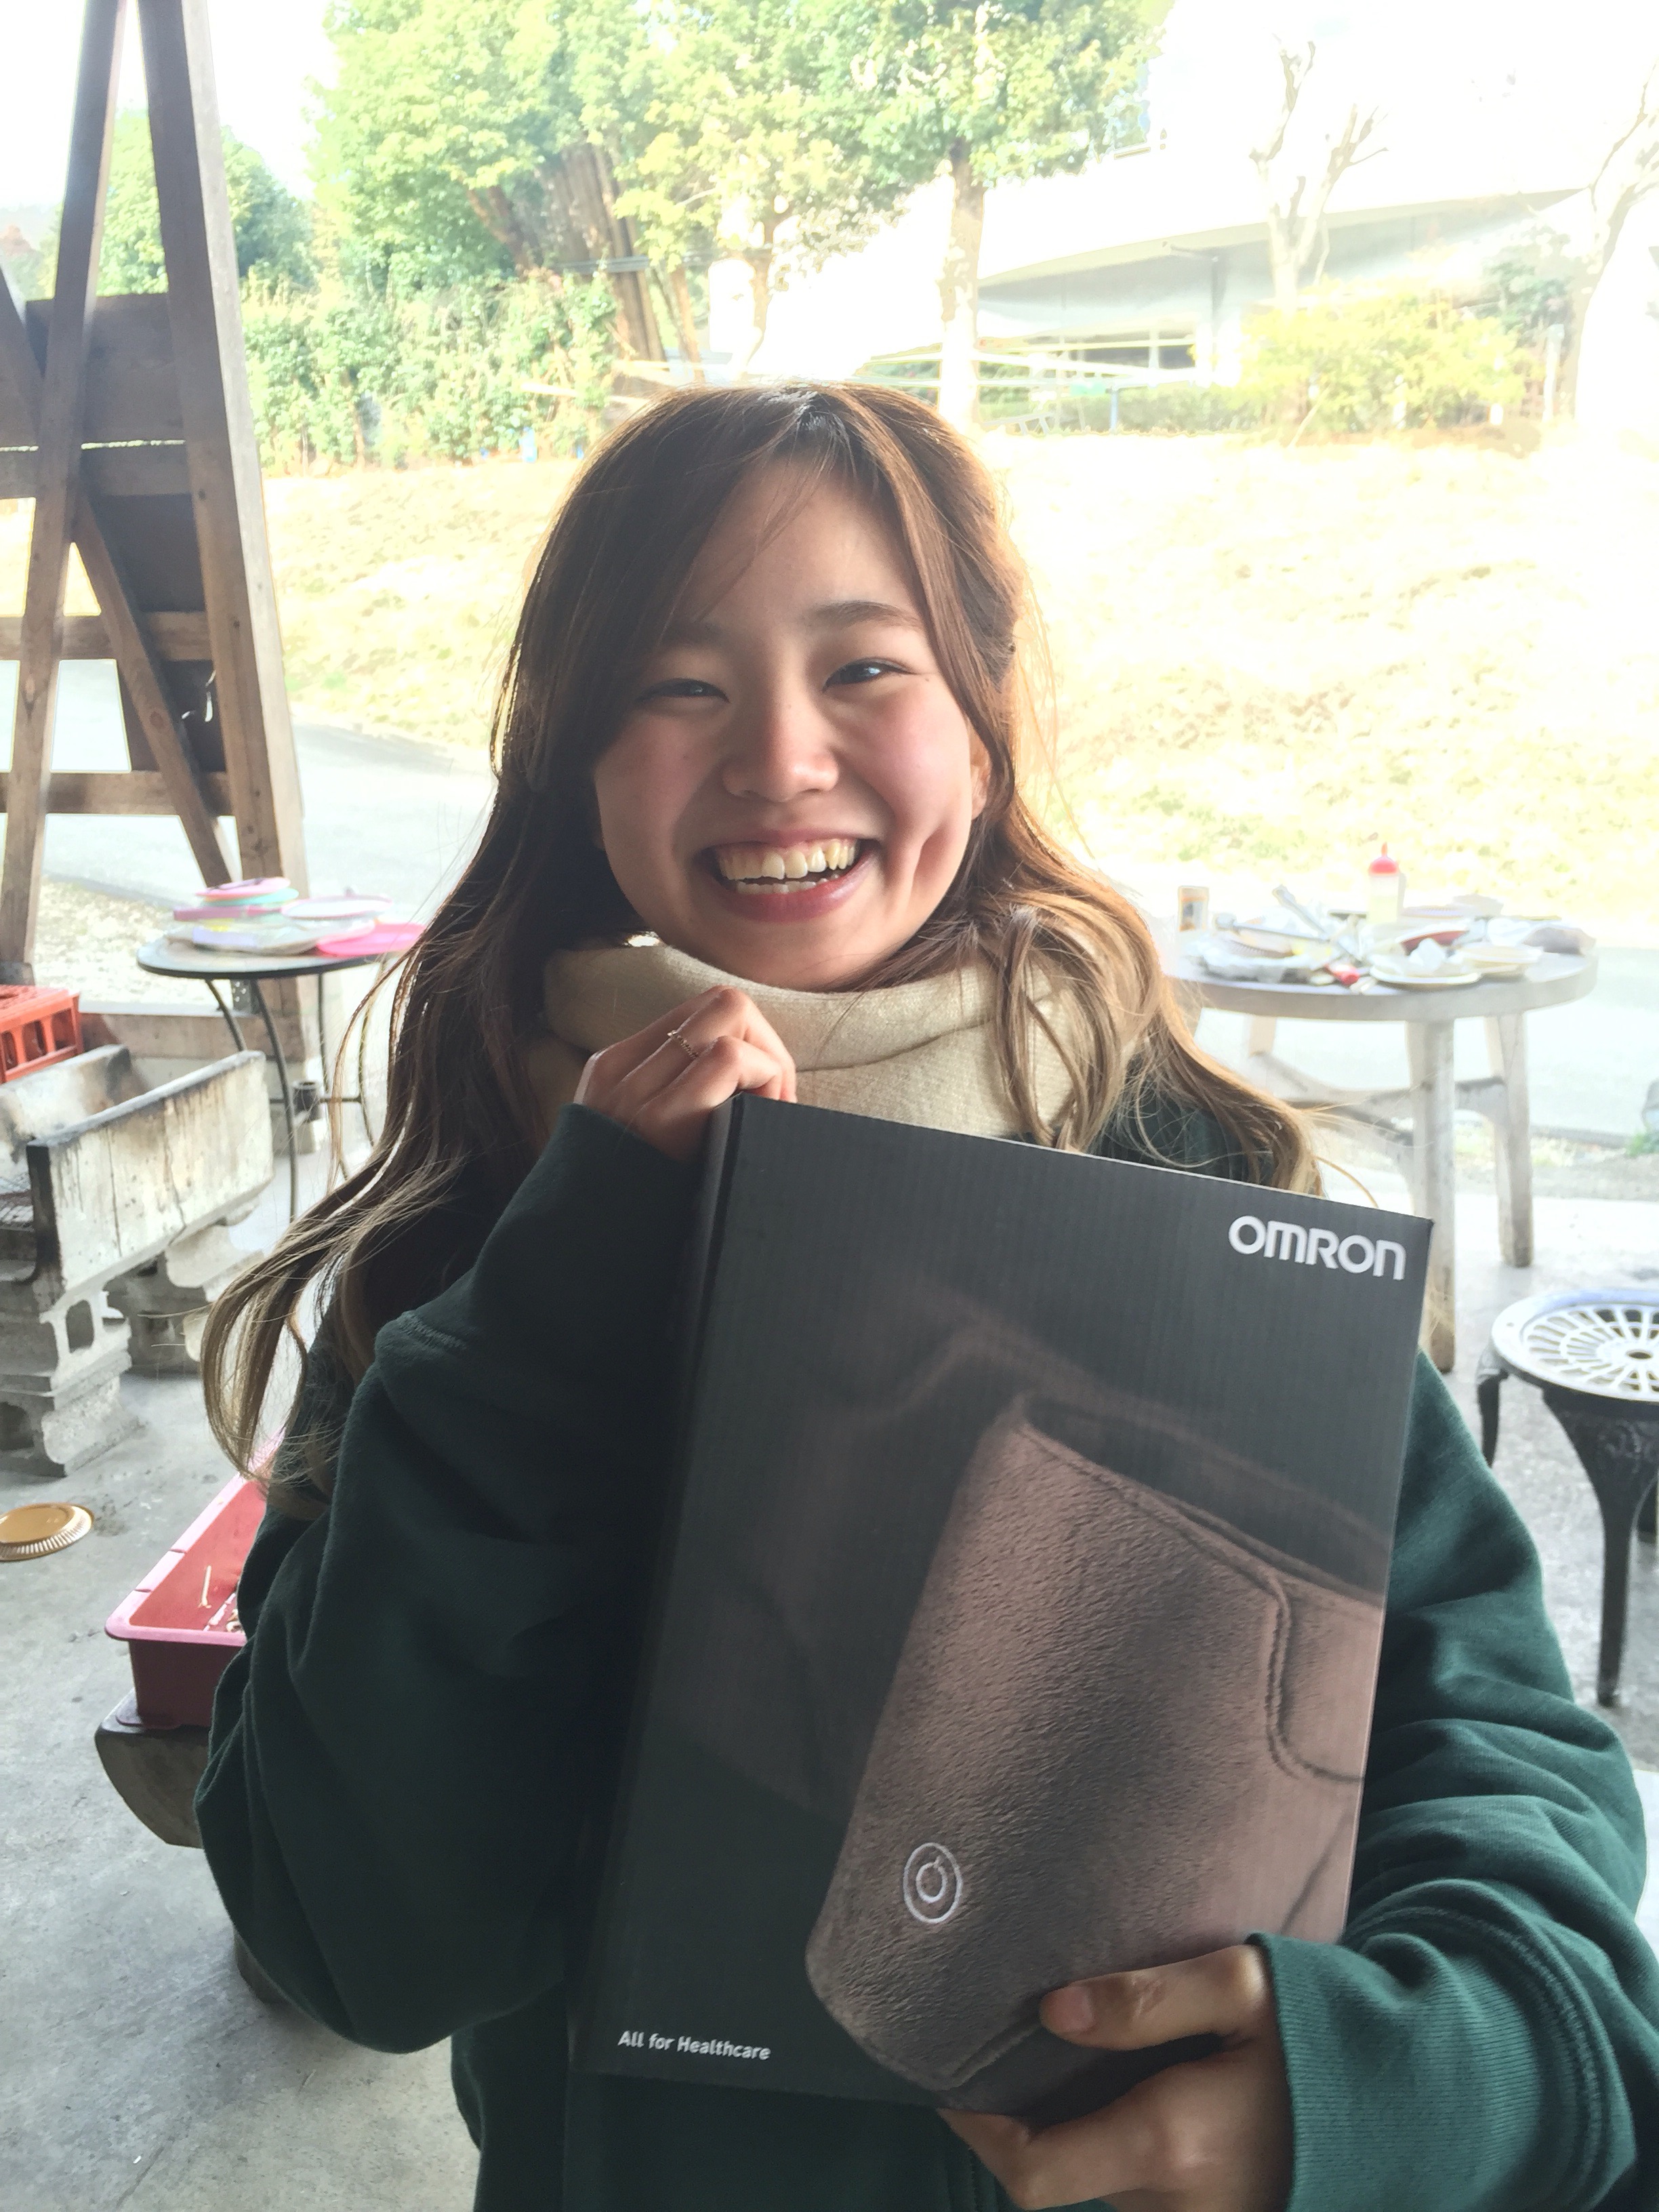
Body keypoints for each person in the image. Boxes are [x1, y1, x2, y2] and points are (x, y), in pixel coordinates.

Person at [197, 384, 1659, 2212]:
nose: (778, 758)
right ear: (574, 762)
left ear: (983, 722)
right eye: (676, 684)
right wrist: (541, 1330)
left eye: (866, 667)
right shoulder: (464, 1261)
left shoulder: (1202, 1194)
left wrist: (1385, 2083)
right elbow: (354, 1942)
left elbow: (1501, 1768)